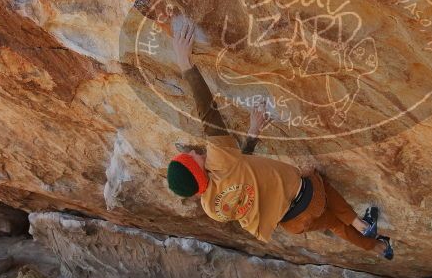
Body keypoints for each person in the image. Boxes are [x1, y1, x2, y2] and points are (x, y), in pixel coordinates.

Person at [165, 19, 393, 260]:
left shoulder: (212, 208)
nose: (194, 153)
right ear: (196, 172)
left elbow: (241, 178)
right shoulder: (219, 162)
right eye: (190, 159)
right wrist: (185, 64)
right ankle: (362, 224)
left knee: (334, 225)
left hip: (293, 224)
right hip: (308, 195)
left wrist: (253, 133)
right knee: (318, 180)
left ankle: (379, 248)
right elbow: (207, 112)